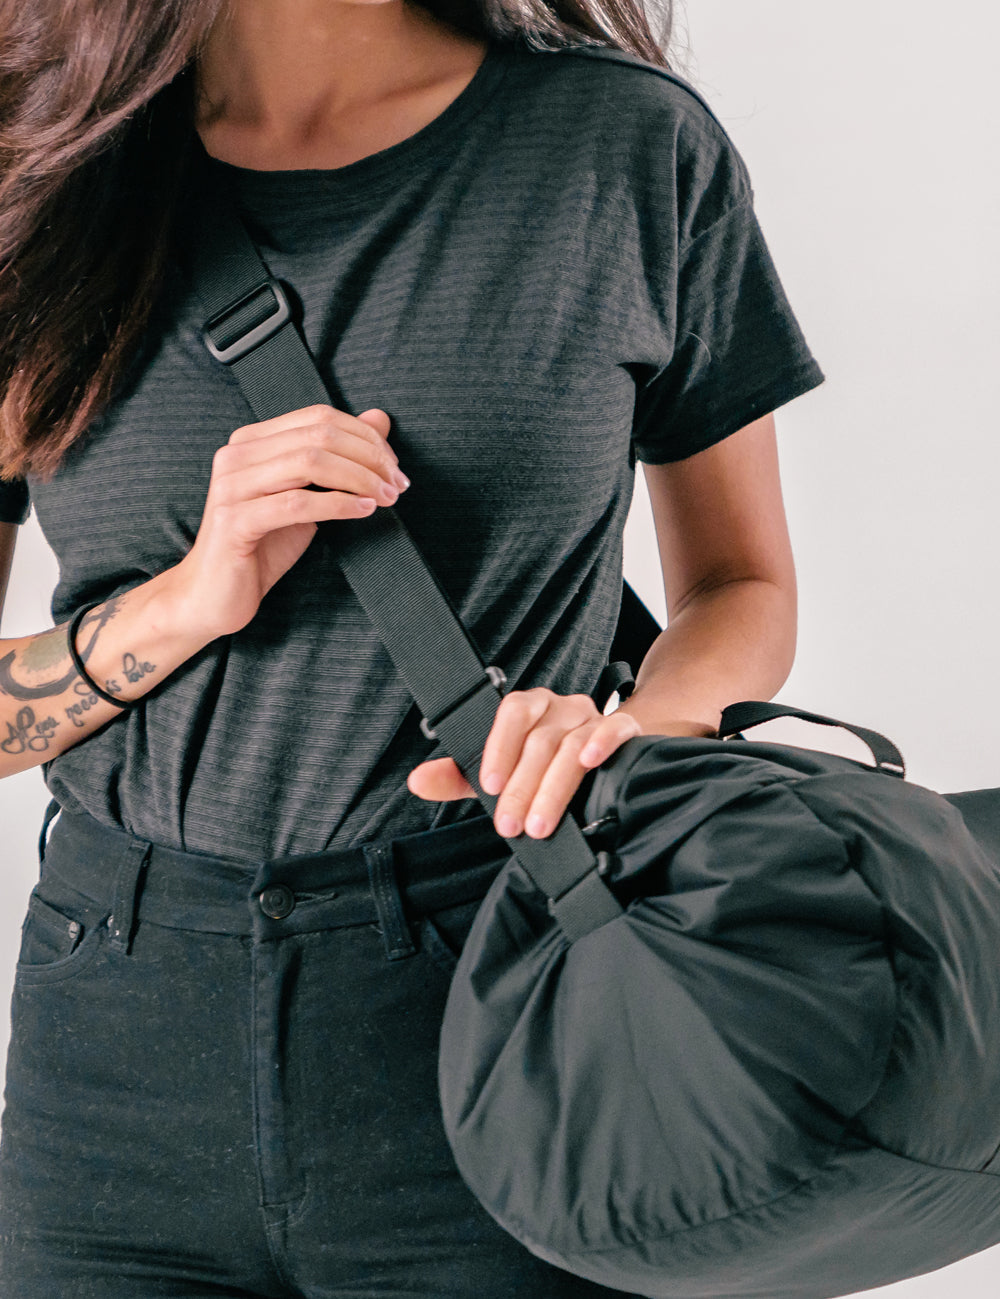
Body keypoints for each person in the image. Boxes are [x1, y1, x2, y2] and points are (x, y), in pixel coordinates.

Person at [0, 0, 823, 1293]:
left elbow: (743, 585)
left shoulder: (622, 148)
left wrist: (631, 731)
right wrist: (191, 597)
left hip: (500, 992)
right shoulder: (37, 171)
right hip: (115, 1041)